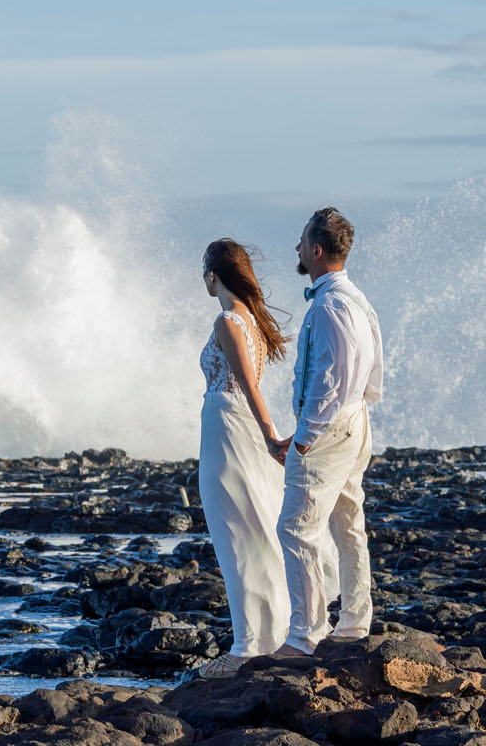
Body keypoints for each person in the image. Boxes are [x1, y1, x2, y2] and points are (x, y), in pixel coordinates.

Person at [273, 207, 384, 657]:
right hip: (354, 419)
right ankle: (355, 623)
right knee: (348, 524)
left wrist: (305, 436)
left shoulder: (330, 305)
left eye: (302, 241)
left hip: (331, 427)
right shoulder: (354, 297)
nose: (297, 248)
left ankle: (305, 635)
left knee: (296, 529)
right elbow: (369, 369)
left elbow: (329, 380)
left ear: (316, 251)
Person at [191, 238, 291, 678]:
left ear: (213, 276)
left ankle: (247, 646)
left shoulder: (228, 321)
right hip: (235, 426)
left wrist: (270, 437)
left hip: (229, 429)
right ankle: (267, 635)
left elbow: (249, 387)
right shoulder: (252, 320)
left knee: (236, 532)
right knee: (255, 529)